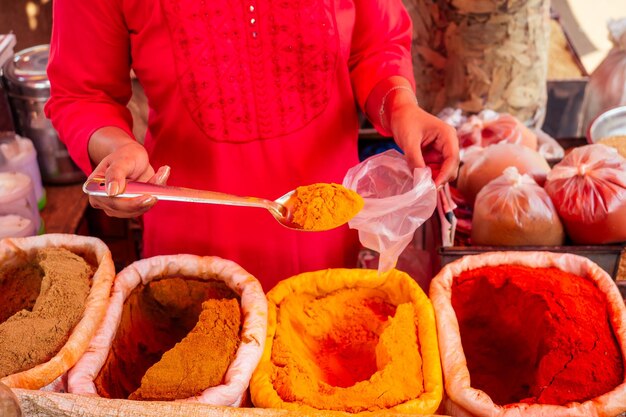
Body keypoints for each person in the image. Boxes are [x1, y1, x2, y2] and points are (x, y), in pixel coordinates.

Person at [45, 0, 459, 290]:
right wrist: (115, 149)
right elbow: (83, 94)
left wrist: (399, 105)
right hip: (193, 252)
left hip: (327, 233)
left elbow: (376, 45)